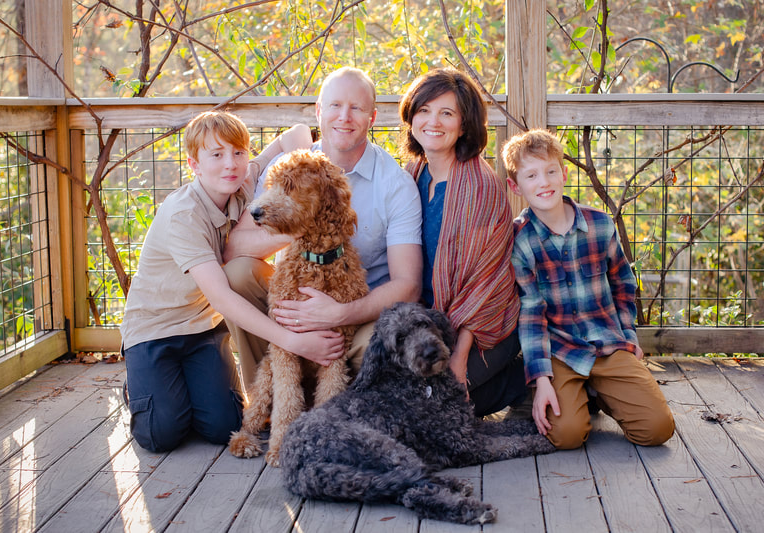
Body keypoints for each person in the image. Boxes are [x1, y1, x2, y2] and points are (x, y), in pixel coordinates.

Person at [120, 111, 345, 452]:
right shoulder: (184, 215)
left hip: (202, 331)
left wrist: (312, 171)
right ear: (193, 164)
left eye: (238, 152)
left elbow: (297, 133)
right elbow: (223, 298)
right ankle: (140, 388)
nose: (231, 164)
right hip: (155, 332)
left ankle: (180, 387)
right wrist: (294, 343)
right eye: (217, 155)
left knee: (222, 424)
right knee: (161, 433)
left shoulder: (239, 182)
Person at [225, 67, 423, 389]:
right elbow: (235, 246)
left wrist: (338, 315)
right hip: (290, 306)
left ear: (371, 118)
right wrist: (301, 224)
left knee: (387, 335)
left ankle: (335, 404)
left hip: (356, 315)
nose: (344, 117)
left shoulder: (395, 185)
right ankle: (268, 398)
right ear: (319, 111)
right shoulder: (287, 168)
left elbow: (408, 284)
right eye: (334, 106)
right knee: (238, 274)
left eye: (356, 108)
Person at [503, 128, 675, 449]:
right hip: (561, 352)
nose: (544, 182)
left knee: (657, 429)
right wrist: (541, 380)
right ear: (515, 186)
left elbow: (623, 284)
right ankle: (570, 394)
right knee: (567, 435)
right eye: (532, 175)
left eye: (551, 171)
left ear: (563, 173)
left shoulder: (599, 224)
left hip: (608, 342)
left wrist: (629, 337)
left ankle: (603, 393)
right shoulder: (521, 241)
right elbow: (531, 314)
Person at [397, 68, 527, 417]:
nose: (432, 121)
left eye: (447, 113)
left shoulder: (480, 188)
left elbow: (485, 283)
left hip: (480, 327)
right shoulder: (412, 174)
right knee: (397, 400)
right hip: (425, 321)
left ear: (465, 124)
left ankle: (525, 378)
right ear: (411, 118)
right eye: (423, 110)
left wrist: (458, 360)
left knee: (436, 409)